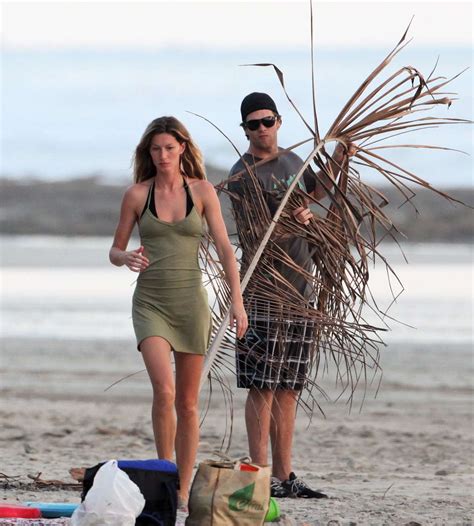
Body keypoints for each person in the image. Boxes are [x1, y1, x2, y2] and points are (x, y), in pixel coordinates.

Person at [109, 116, 248, 507]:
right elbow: (114, 250)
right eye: (156, 149)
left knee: (187, 403)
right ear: (148, 153)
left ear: (182, 148)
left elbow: (224, 248)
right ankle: (165, 476)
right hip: (150, 303)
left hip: (190, 304)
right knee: (163, 390)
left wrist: (236, 302)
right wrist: (126, 257)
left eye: (169, 148)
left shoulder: (202, 191)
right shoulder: (137, 195)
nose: (163, 155)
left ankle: (183, 489)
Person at [228, 92, 354, 499]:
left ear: (279, 121)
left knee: (289, 386)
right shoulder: (242, 174)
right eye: (253, 124)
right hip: (263, 290)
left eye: (268, 121)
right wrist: (290, 215)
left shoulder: (294, 162)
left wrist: (340, 151)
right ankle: (258, 472)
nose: (262, 129)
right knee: (261, 385)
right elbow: (253, 234)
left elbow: (314, 193)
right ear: (245, 129)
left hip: (301, 288)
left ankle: (285, 476)